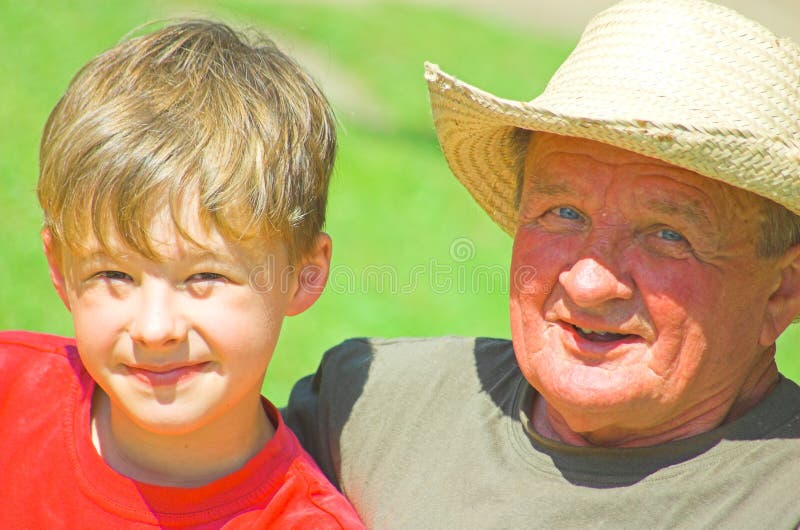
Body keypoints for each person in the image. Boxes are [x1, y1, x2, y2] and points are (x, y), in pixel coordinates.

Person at [285, 0, 800, 527]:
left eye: (668, 235)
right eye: (565, 212)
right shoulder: (369, 411)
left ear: (782, 291)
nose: (589, 282)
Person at [0, 20, 364, 528]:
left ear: (304, 274)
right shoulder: (11, 394)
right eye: (114, 274)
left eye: (205, 277)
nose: (154, 329)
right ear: (59, 268)